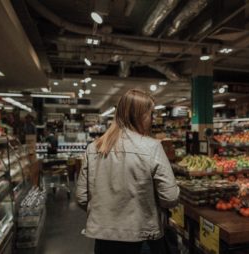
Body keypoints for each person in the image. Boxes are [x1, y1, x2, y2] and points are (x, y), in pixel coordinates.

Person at [76, 89, 179, 254]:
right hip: (143, 238)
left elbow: (81, 197)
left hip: (104, 239)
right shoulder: (152, 147)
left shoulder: (94, 148)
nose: (152, 120)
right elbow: (170, 197)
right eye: (150, 114)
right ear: (139, 116)